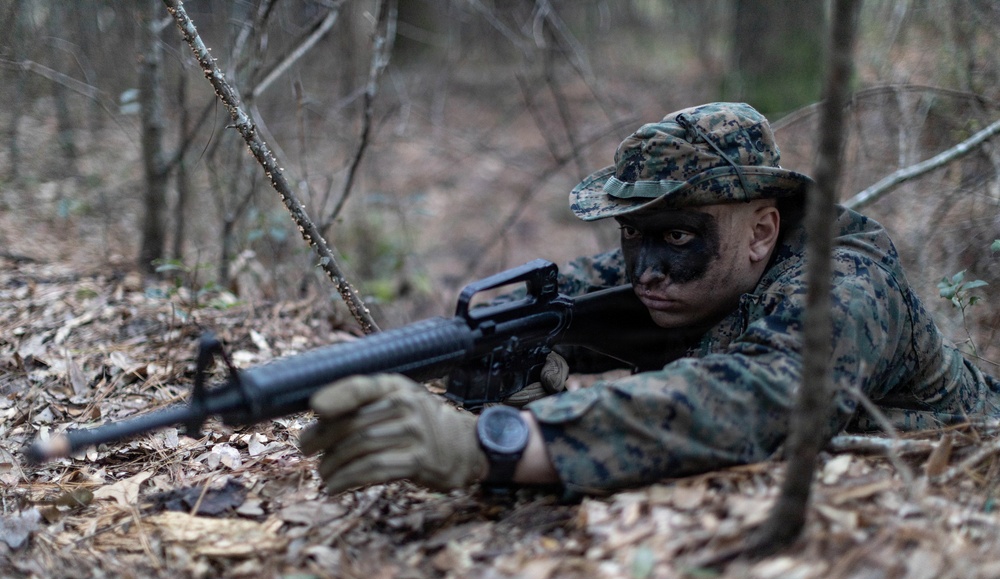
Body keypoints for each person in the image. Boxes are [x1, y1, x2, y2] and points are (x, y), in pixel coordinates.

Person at [298, 102, 1000, 497]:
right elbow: (559, 302)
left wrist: (497, 442)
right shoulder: (685, 269)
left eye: (675, 237)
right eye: (634, 237)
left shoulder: (847, 286)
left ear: (762, 231)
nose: (648, 271)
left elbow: (761, 399)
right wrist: (481, 363)